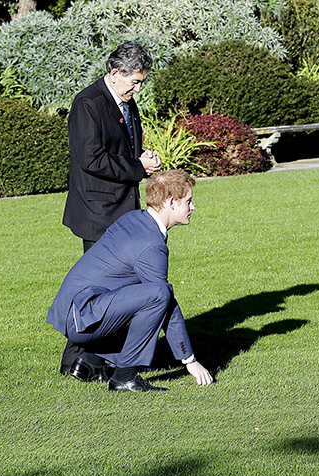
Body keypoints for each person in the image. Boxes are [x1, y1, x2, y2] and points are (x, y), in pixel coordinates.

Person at [47, 170, 215, 392]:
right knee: (159, 295)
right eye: (189, 202)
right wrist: (189, 360)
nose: (193, 207)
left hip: (72, 310)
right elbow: (166, 303)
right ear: (171, 202)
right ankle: (124, 377)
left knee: (145, 292)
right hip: (82, 318)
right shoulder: (151, 245)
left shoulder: (134, 218)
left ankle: (91, 361)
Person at [60, 41, 162, 376]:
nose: (138, 87)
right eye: (134, 81)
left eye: (141, 81)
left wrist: (142, 159)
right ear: (115, 73)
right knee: (97, 291)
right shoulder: (88, 104)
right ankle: (77, 362)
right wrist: (137, 169)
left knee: (116, 289)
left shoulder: (125, 102)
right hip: (97, 212)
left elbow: (127, 146)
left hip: (121, 208)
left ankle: (94, 360)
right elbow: (91, 159)